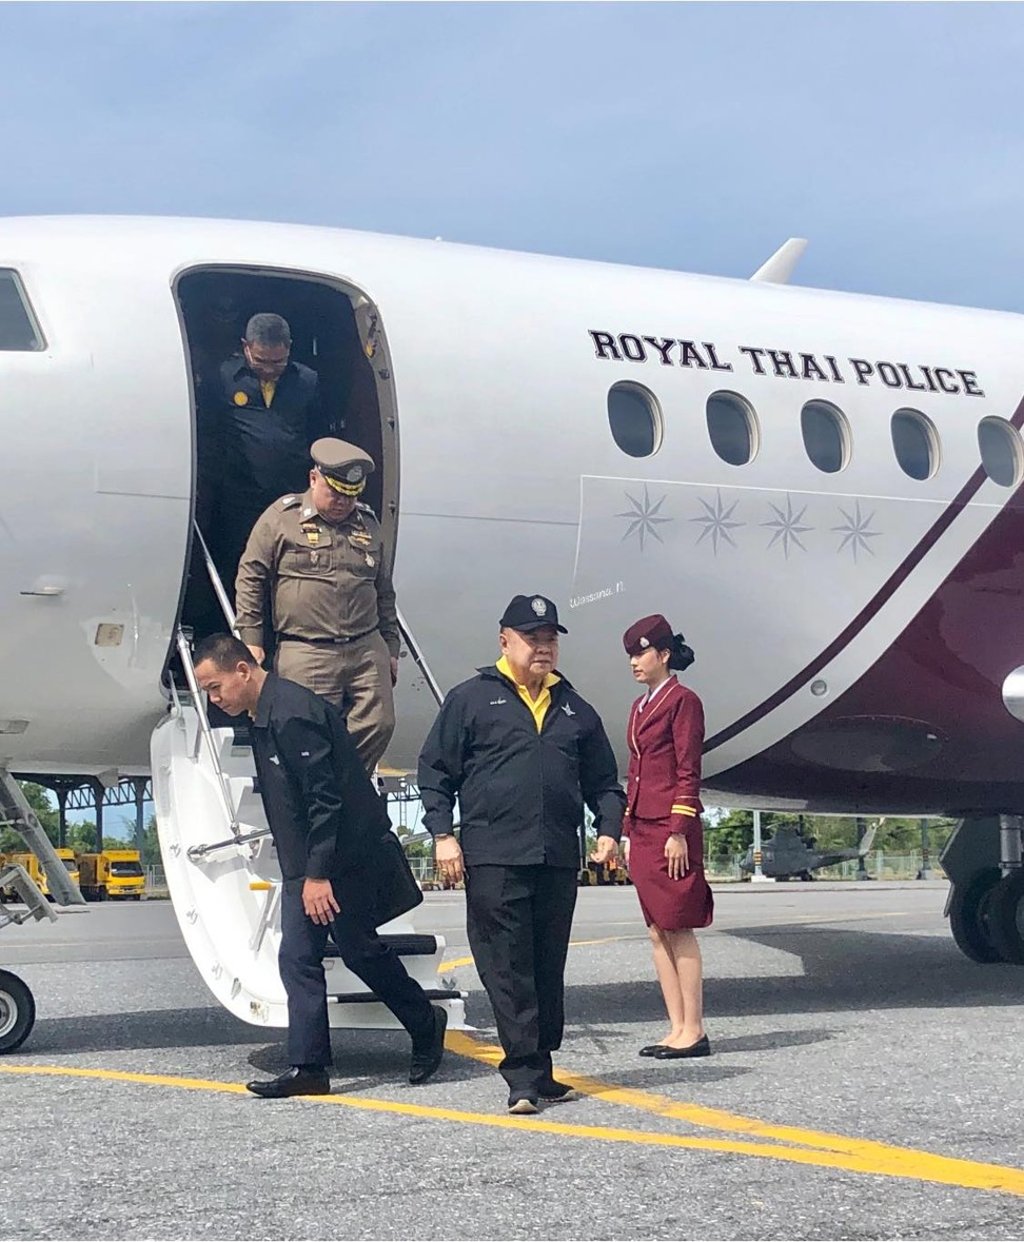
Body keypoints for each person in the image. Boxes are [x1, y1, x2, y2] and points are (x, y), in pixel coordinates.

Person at [192, 633, 446, 1098]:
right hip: (309, 861)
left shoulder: (293, 714)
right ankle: (312, 1067)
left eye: (214, 686)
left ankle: (422, 1023)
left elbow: (325, 800)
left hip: (335, 861)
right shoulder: (265, 713)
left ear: (243, 671)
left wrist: (317, 875)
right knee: (317, 955)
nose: (213, 698)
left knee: (339, 952)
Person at [417, 594, 625, 1114]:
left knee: (546, 963)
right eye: (533, 637)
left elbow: (604, 781)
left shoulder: (575, 707)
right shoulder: (470, 699)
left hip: (555, 856)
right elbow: (435, 773)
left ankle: (542, 1067)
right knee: (506, 964)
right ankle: (523, 1076)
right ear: (504, 640)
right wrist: (444, 835)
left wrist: (609, 830)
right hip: (493, 855)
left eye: (550, 638)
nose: (544, 647)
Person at [234, 437, 400, 774]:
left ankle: (346, 785)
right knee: (307, 733)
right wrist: (250, 637)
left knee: (379, 723)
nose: (342, 502)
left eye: (350, 495)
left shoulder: (368, 524)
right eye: (335, 492)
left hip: (365, 647)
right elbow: (251, 576)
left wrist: (391, 645)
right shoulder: (282, 518)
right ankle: (327, 795)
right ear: (314, 478)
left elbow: (383, 590)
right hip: (305, 648)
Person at [621, 614, 713, 1060]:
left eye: (641, 653)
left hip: (670, 828)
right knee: (657, 930)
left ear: (664, 654)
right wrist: (625, 830)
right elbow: (636, 772)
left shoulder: (684, 701)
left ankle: (693, 1029)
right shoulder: (639, 707)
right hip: (642, 826)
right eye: (631, 656)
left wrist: (679, 829)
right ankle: (675, 1027)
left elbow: (687, 770)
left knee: (679, 926)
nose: (635, 662)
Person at [201, 312, 328, 601]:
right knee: (237, 565)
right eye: (261, 361)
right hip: (238, 496)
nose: (270, 370)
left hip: (289, 498)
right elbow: (209, 432)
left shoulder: (307, 381)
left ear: (290, 349)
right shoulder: (222, 378)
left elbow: (318, 434)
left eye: (278, 362)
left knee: (286, 569)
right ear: (246, 347)